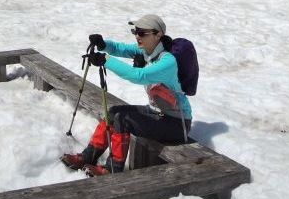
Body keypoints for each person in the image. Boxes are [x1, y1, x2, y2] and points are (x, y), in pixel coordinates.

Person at [61, 14, 192, 176]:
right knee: (113, 113)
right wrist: (103, 44)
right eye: (135, 31)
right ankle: (87, 157)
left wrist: (105, 60)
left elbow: (139, 76)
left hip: (176, 123)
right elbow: (120, 48)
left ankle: (111, 169)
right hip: (157, 112)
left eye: (142, 33)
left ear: (158, 35)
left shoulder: (168, 61)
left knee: (124, 120)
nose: (137, 36)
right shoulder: (146, 51)